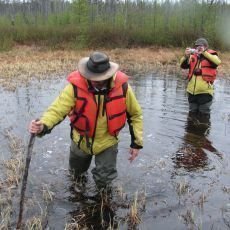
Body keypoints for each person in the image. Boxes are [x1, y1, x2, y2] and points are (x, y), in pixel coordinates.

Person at [29, 51, 143, 191]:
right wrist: (43, 125)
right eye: (93, 78)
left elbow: (135, 115)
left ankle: (102, 205)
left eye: (101, 78)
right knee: (76, 177)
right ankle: (79, 198)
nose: (97, 81)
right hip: (81, 140)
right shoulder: (74, 88)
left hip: (108, 142)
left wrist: (136, 143)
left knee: (104, 182)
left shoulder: (123, 88)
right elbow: (57, 110)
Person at [180, 38, 221, 115]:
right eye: (196, 46)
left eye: (200, 46)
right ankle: (192, 126)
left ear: (206, 47)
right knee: (192, 114)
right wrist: (186, 56)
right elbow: (182, 65)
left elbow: (217, 62)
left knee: (204, 115)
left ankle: (203, 127)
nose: (198, 48)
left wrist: (204, 53)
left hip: (205, 93)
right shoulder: (192, 56)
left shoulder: (211, 55)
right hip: (192, 92)